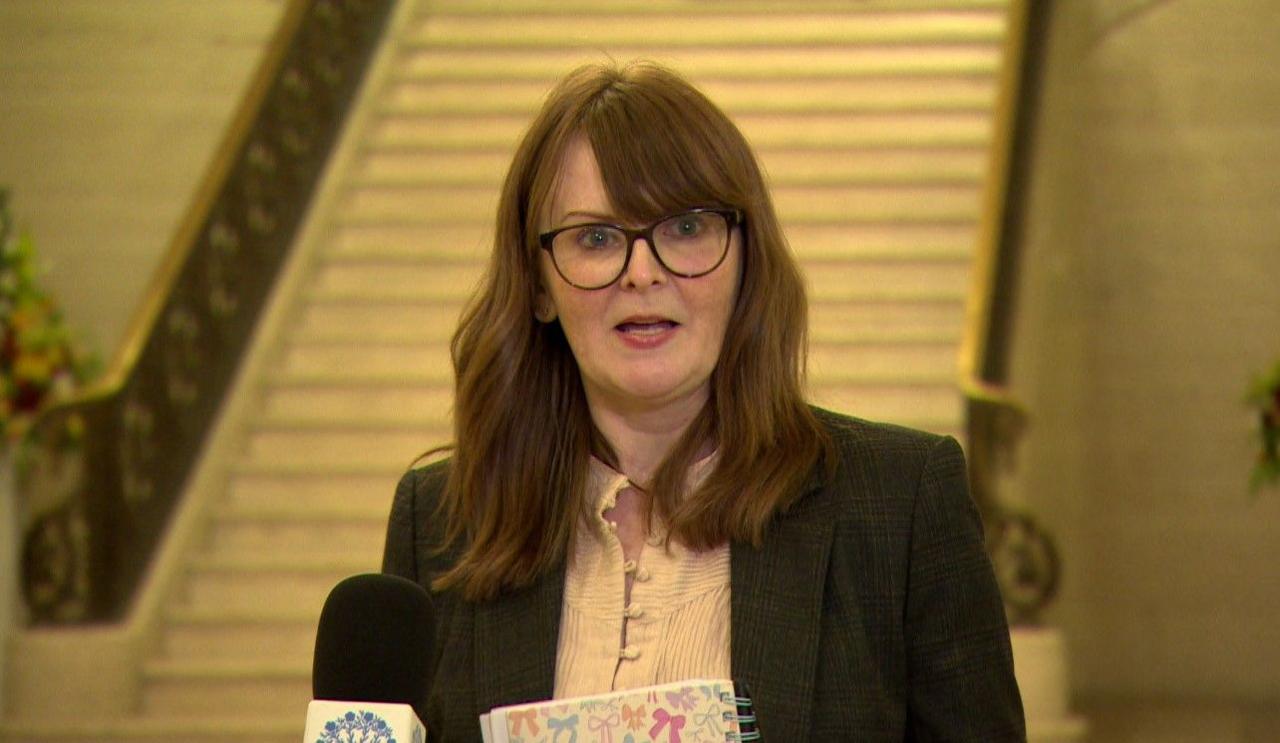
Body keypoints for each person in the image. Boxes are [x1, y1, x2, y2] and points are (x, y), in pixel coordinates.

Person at [382, 61, 1025, 742]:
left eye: (686, 228)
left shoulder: (900, 505)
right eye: (595, 238)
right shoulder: (442, 524)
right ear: (538, 285)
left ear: (747, 257)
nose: (643, 271)